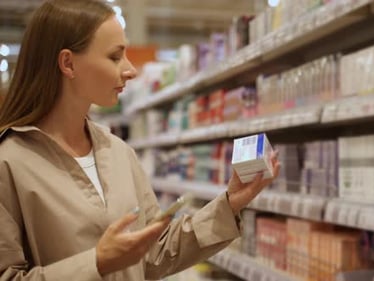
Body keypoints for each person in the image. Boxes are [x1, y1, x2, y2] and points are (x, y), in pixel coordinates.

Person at [0, 0, 280, 280]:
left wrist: (229, 204)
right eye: (114, 57)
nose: (131, 70)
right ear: (68, 63)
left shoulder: (118, 152)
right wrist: (97, 262)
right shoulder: (9, 163)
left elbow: (154, 253)